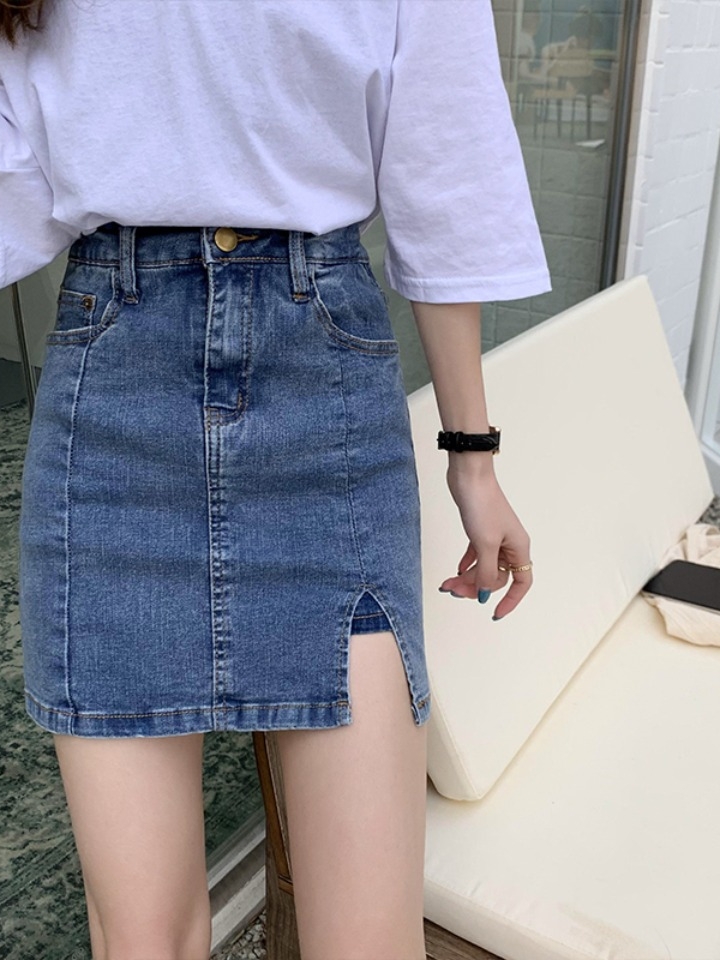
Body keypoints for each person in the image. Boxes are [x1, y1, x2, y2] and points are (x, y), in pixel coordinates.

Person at [1, 1, 551, 958]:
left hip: (323, 393)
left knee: (368, 940)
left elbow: (442, 164)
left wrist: (474, 456)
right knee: (143, 941)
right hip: (113, 394)